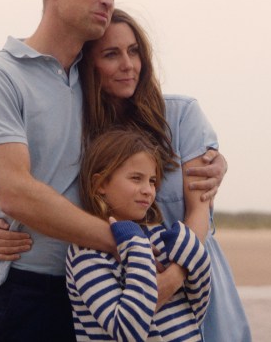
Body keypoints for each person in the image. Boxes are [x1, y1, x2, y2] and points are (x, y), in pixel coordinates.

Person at [0, 0, 227, 342]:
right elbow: (14, 191)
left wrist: (215, 159)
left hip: (102, 292)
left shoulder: (93, 90)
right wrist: (124, 242)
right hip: (31, 289)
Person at [66, 128, 211, 341]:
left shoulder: (158, 235)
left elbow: (197, 307)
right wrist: (136, 246)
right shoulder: (86, 253)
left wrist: (191, 251)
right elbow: (127, 331)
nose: (148, 190)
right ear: (100, 184)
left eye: (152, 181)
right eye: (136, 178)